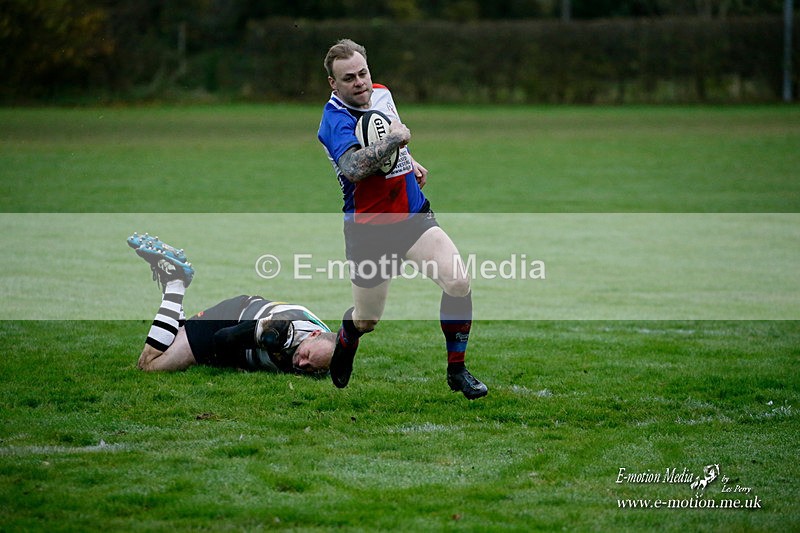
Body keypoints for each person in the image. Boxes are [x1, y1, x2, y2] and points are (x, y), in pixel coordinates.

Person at [317, 39, 488, 399]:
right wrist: (395, 141)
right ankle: (348, 335)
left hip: (413, 215)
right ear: (333, 83)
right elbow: (352, 168)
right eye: (348, 78)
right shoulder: (334, 119)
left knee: (458, 281)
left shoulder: (382, 94)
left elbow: (393, 144)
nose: (360, 82)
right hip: (368, 231)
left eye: (363, 73)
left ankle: (457, 370)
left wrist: (409, 160)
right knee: (369, 319)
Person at [127, 233, 335, 376]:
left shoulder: (330, 349)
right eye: (306, 356)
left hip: (247, 312)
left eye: (312, 368)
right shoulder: (280, 330)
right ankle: (175, 283)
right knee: (150, 365)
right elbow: (224, 338)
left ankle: (171, 276)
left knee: (172, 341)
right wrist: (231, 364)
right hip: (228, 320)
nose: (302, 363)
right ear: (313, 334)